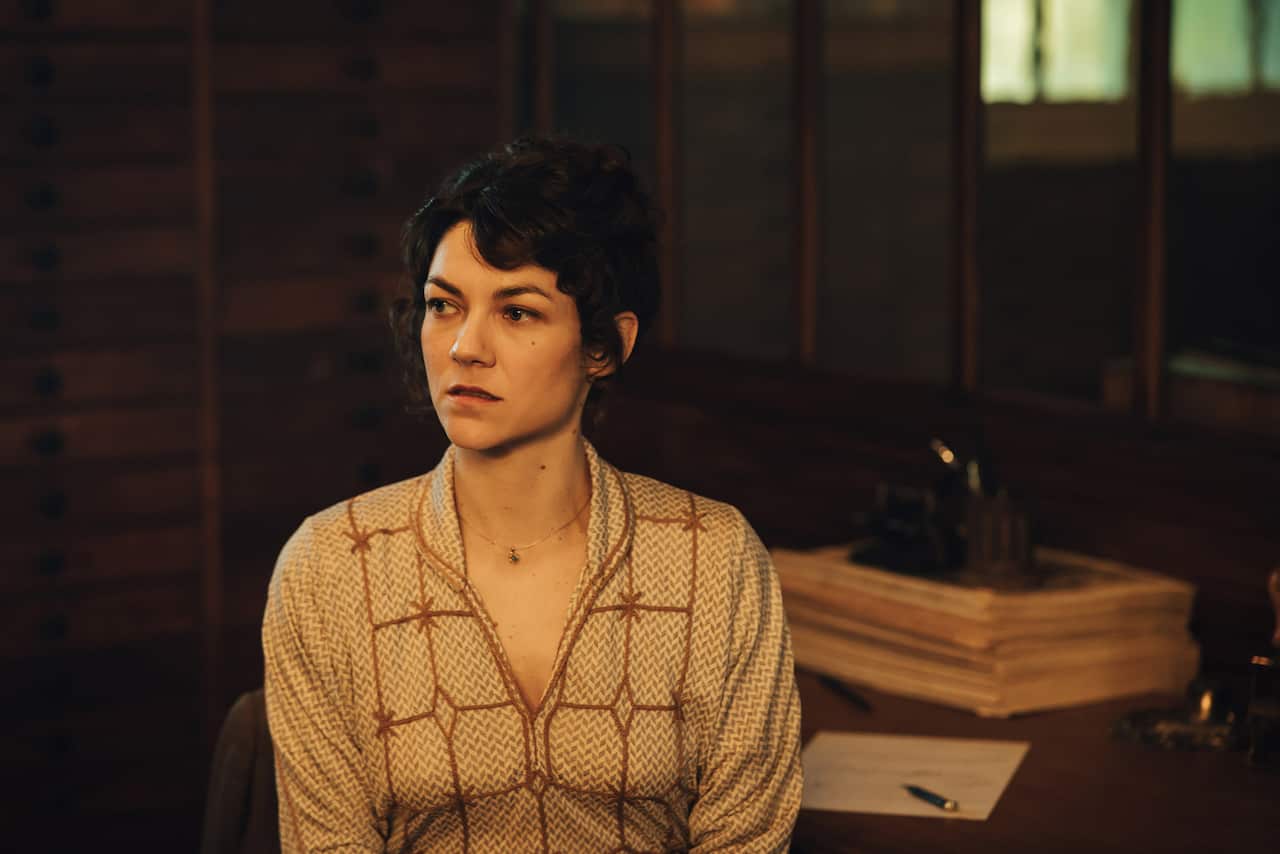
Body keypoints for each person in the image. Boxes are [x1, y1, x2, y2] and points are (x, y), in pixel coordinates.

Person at [262, 136, 802, 852]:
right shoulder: (329, 568)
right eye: (444, 306)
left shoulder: (716, 560)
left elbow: (747, 841)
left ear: (604, 347)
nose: (465, 348)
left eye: (516, 313)